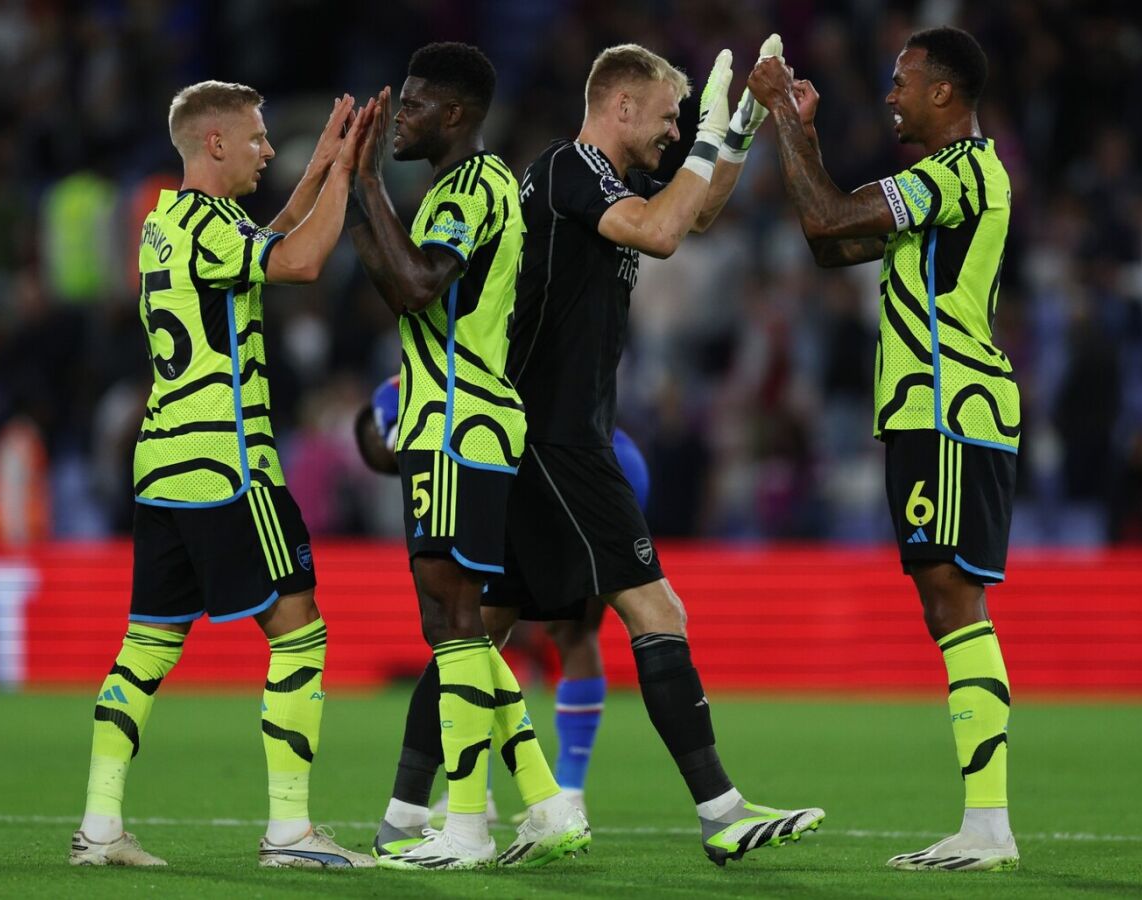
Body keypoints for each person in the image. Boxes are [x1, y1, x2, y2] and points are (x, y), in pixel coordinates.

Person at [376, 38, 826, 868]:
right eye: (663, 118)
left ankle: (405, 812)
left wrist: (745, 125)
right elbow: (662, 232)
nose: (668, 134)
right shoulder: (568, 170)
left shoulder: (599, 181)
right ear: (618, 107)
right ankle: (720, 809)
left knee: (477, 635)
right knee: (655, 610)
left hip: (529, 435)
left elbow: (696, 211)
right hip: (555, 437)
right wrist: (705, 144)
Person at [70, 82, 375, 869]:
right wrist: (347, 173)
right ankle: (289, 831)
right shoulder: (211, 226)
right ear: (214, 143)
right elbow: (300, 260)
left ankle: (99, 828)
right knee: (301, 631)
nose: (268, 151)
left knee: (146, 646)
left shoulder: (165, 225)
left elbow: (261, 244)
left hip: (162, 464)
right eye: (259, 139)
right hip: (229, 464)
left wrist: (318, 169)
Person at [747, 25, 1020, 872]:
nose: (891, 95)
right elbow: (829, 242)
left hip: (950, 403)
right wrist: (804, 131)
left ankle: (989, 825)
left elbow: (827, 214)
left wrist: (784, 118)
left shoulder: (963, 174)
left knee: (954, 599)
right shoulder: (935, 186)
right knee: (945, 602)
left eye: (903, 83)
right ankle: (984, 822)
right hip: (924, 410)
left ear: (944, 93)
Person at [346, 42, 588, 871]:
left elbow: (418, 284)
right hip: (458, 421)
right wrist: (364, 190)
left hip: (456, 423)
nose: (399, 118)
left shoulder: (472, 188)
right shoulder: (463, 189)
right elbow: (402, 288)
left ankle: (465, 829)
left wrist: (364, 179)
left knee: (452, 623)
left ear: (455, 115)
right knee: (462, 628)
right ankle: (546, 801)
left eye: (413, 107)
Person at [355, 379, 650, 819]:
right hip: (608, 457)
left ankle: (476, 793)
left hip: (533, 465)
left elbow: (386, 415)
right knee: (569, 631)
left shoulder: (420, 374)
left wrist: (400, 441)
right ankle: (566, 791)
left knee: (474, 631)